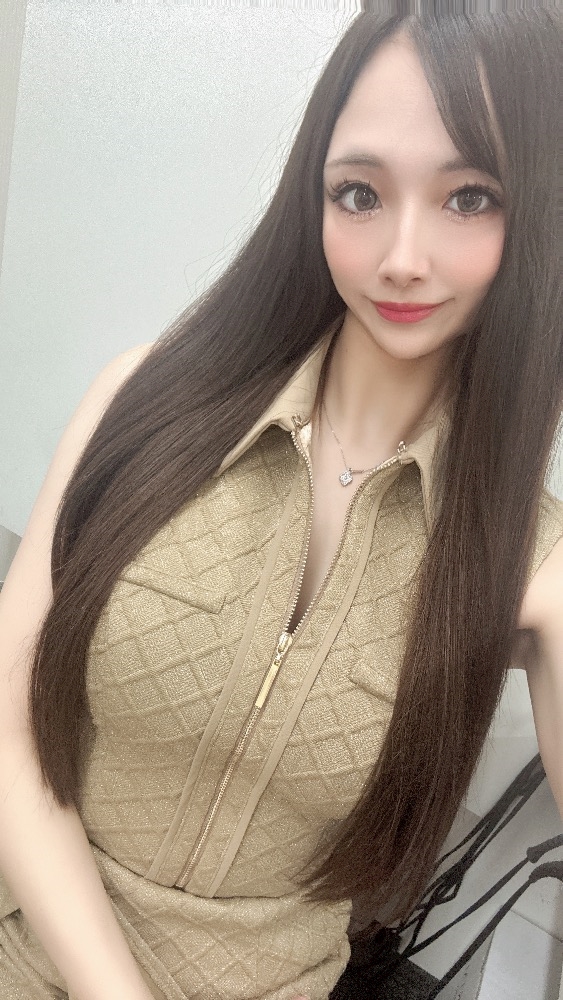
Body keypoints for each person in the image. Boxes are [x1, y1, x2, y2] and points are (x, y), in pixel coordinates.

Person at [0, 7, 562, 1000]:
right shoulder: (140, 401)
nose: (400, 255)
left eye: (469, 197)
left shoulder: (531, 558)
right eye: (359, 193)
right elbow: (8, 723)